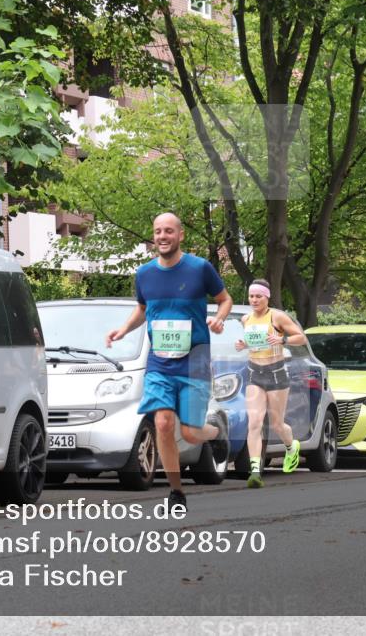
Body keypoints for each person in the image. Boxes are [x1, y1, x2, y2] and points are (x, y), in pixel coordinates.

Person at [106, 213, 232, 511]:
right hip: (160, 360)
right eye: (158, 231)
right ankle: (176, 491)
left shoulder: (200, 268)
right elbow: (142, 309)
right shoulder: (145, 274)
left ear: (180, 235)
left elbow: (224, 299)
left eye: (168, 231)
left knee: (189, 432)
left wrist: (219, 318)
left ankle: (215, 432)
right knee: (162, 423)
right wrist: (123, 329)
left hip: (195, 359)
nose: (162, 236)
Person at [233, 279, 307, 488]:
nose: (254, 300)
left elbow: (301, 337)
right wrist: (243, 344)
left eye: (259, 296)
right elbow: (255, 342)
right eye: (251, 296)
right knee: (254, 422)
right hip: (254, 373)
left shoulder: (277, 317)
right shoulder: (246, 319)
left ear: (267, 297)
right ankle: (255, 471)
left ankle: (291, 447)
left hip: (276, 374)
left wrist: (283, 341)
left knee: (276, 424)